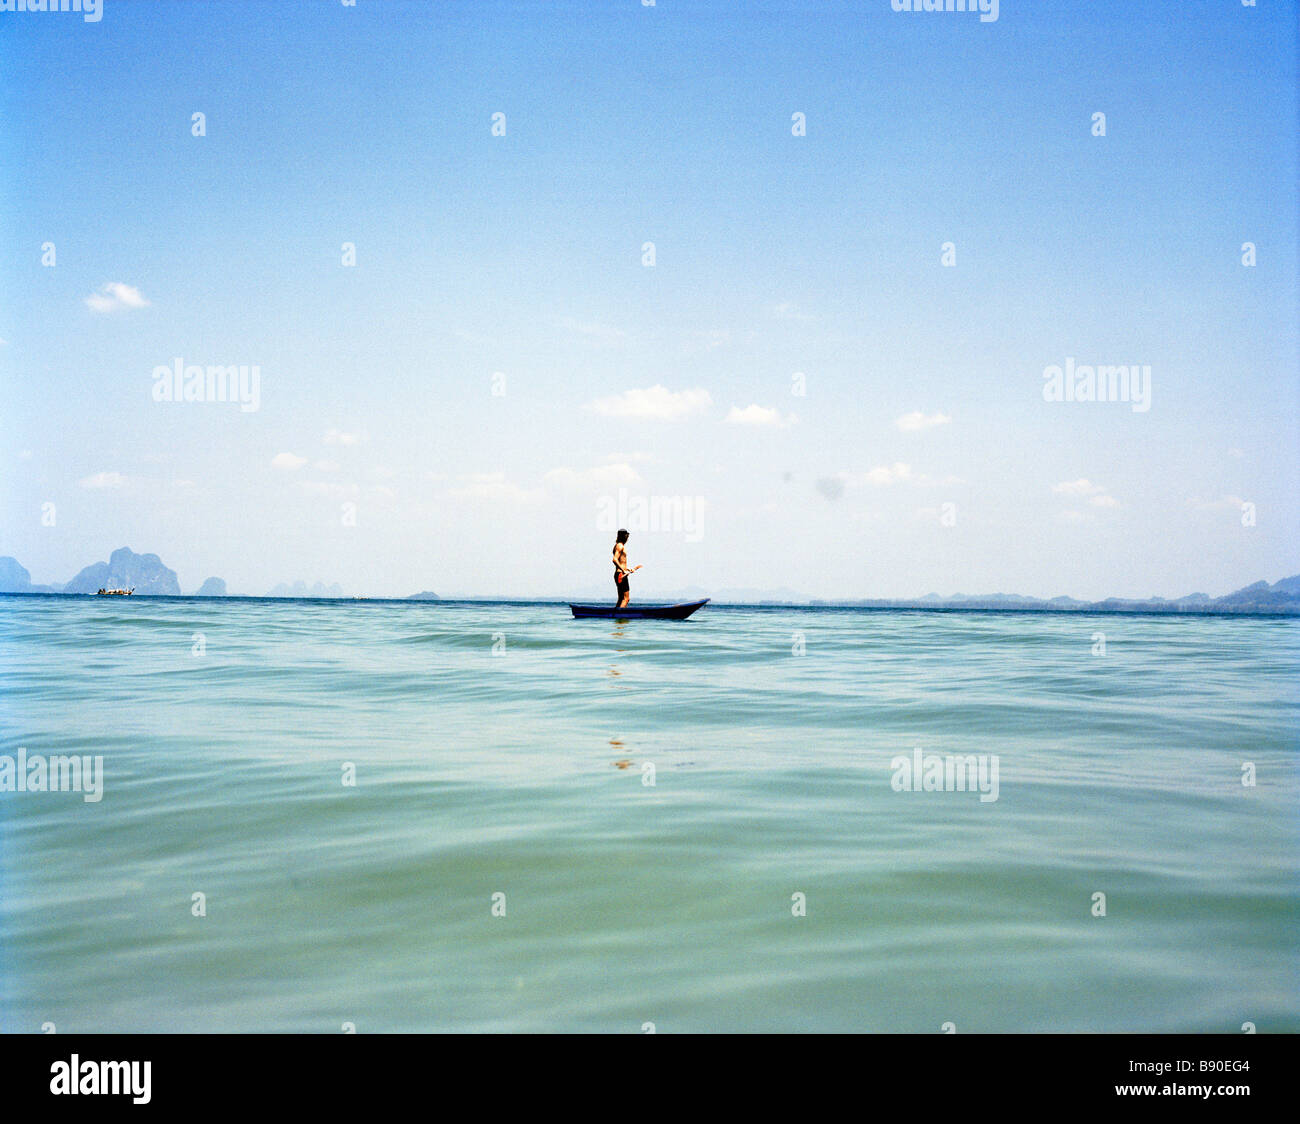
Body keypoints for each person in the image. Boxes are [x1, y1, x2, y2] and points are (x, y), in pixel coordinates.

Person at [612, 528, 641, 608]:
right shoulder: (620, 546)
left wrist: (627, 569)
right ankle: (620, 617)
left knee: (621, 598)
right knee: (626, 598)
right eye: (627, 537)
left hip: (620, 573)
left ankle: (615, 617)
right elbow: (614, 559)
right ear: (624, 536)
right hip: (621, 575)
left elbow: (621, 562)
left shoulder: (619, 546)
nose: (627, 539)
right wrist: (623, 570)